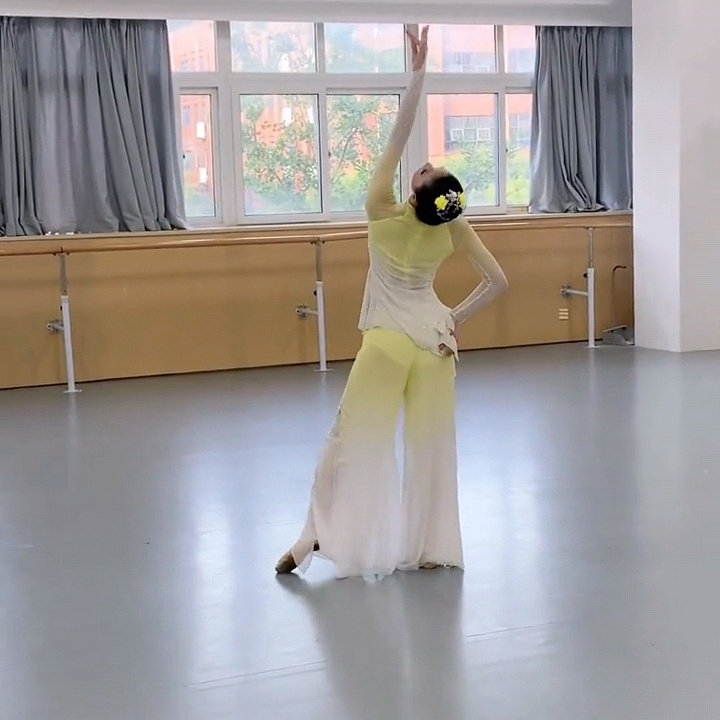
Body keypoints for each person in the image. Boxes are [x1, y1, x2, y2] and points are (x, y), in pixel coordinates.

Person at [276, 26, 508, 580]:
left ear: (414, 193)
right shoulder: (452, 227)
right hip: (435, 345)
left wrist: (418, 75)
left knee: (352, 441)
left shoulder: (381, 210)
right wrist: (453, 319)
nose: (422, 164)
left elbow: (397, 137)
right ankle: (430, 548)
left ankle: (314, 537)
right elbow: (499, 282)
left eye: (426, 171)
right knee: (432, 450)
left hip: (385, 343)